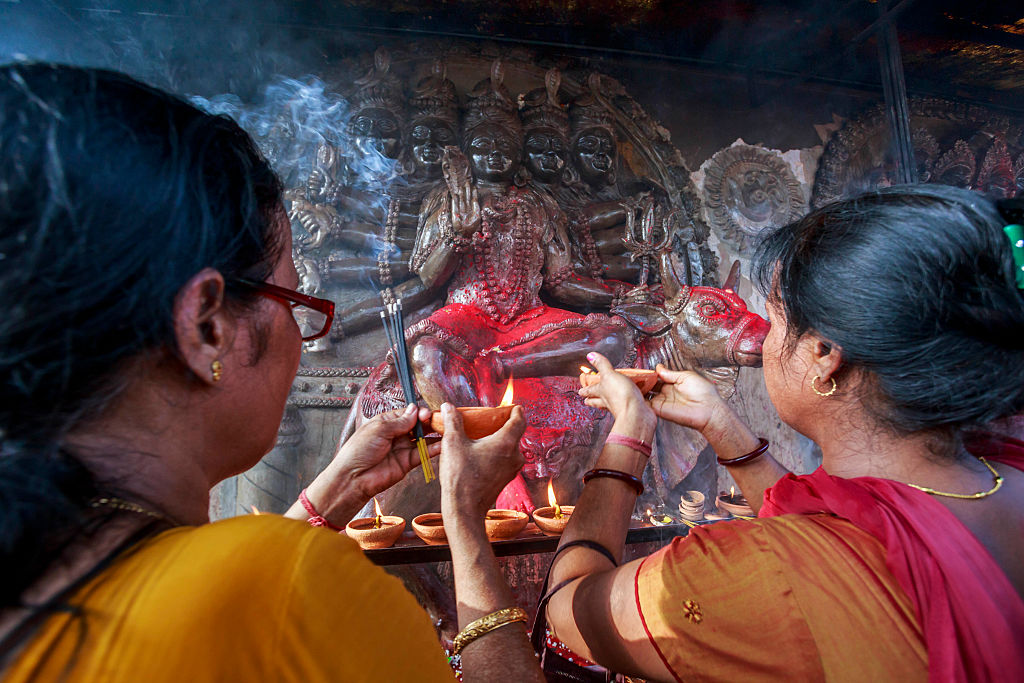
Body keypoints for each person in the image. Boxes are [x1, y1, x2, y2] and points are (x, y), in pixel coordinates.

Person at [0, 63, 543, 683]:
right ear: (208, 326)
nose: (300, 336)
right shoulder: (296, 592)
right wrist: (467, 520)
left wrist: (331, 496)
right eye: (296, 304)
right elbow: (264, 597)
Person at [509, 184, 1024, 681]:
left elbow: (568, 611)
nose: (764, 338)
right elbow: (847, 517)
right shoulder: (1006, 474)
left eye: (774, 320)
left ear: (824, 355)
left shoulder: (756, 573)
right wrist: (719, 424)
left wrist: (628, 435)